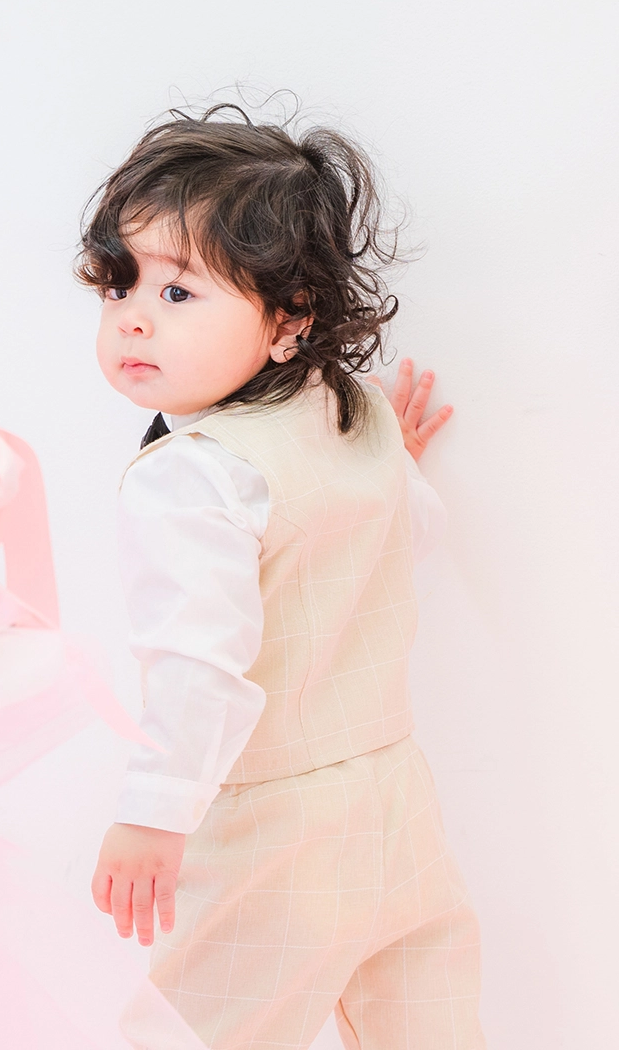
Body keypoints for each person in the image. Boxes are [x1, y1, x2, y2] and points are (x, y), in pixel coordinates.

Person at [81, 106, 485, 1049]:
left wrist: (154, 812)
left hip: (273, 832)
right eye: (118, 284)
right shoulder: (351, 414)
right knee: (423, 1023)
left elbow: (198, 663)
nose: (133, 316)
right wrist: (393, 464)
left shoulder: (193, 473)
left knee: (196, 1033)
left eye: (178, 292)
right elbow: (405, 537)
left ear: (290, 318)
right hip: (394, 800)